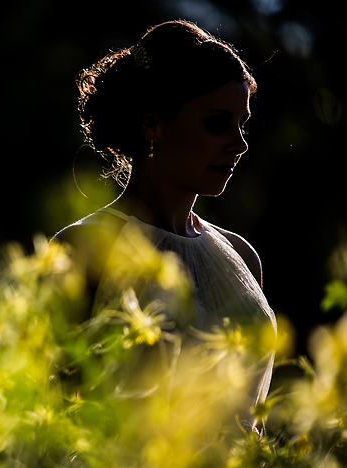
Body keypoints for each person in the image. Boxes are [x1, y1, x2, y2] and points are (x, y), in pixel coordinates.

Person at [54, 21, 276, 435]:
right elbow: (51, 413)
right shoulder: (84, 248)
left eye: (241, 123)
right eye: (217, 122)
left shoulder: (241, 257)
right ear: (153, 125)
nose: (240, 143)